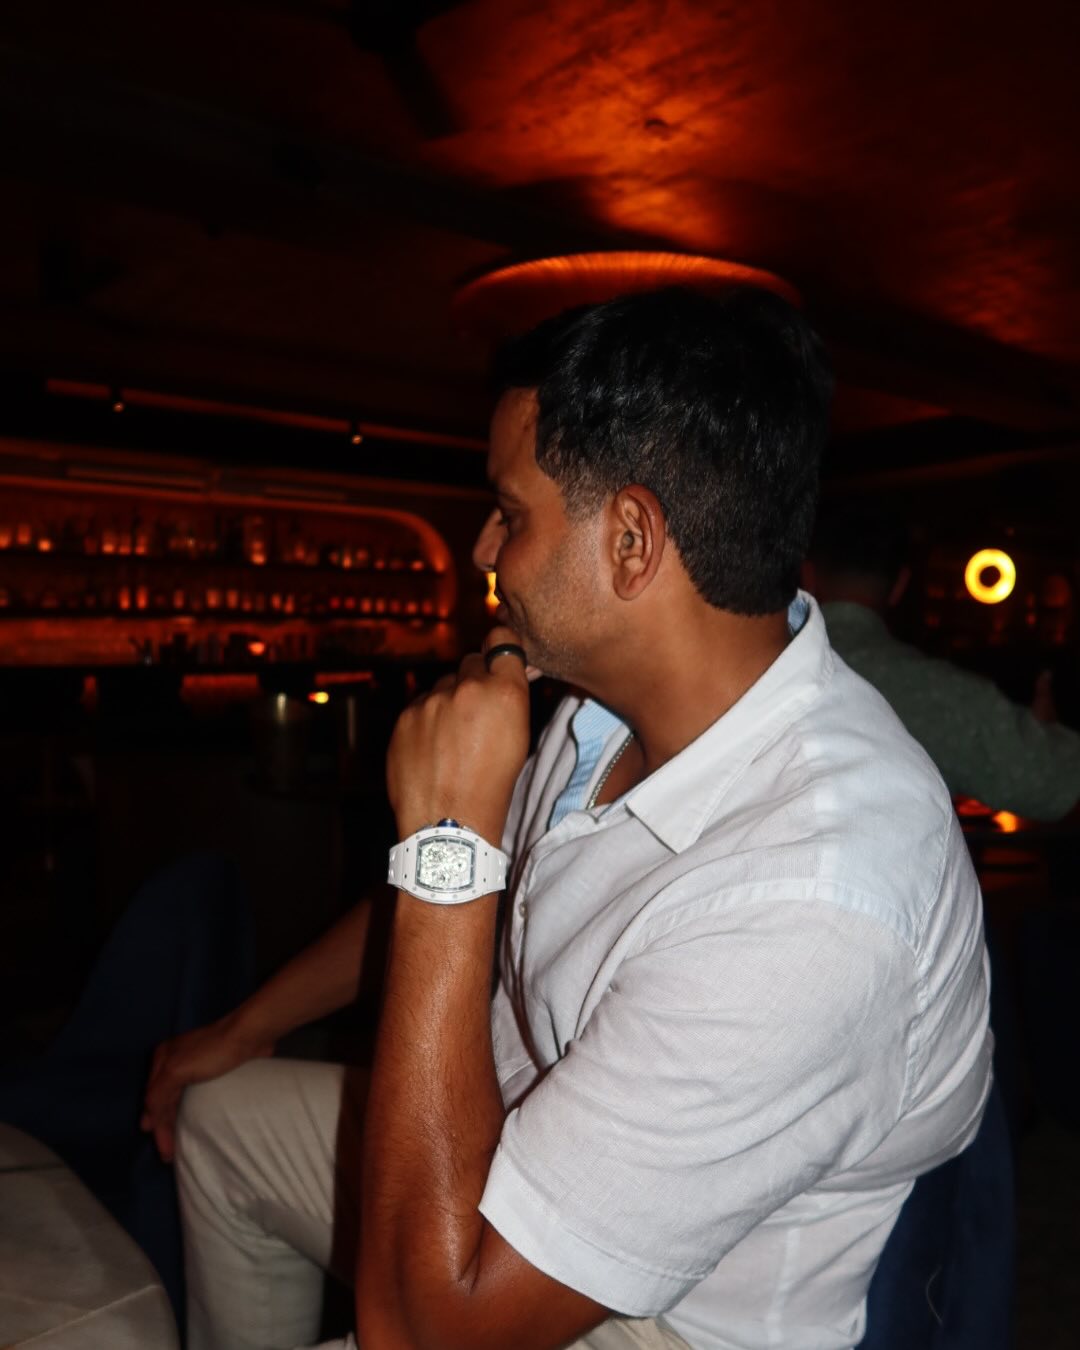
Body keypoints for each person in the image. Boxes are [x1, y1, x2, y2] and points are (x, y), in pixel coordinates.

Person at [144, 287, 992, 1350]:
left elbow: (430, 1336)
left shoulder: (816, 900)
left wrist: (445, 841)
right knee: (222, 1119)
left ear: (632, 540)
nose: (482, 549)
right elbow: (476, 905)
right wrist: (245, 1026)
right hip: (502, 1142)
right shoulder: (600, 711)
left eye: (510, 511)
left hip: (658, 1313)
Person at [803, 504, 1080, 821]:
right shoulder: (942, 695)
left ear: (807, 576)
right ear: (901, 584)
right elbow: (1055, 784)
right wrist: (1045, 735)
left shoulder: (767, 671)